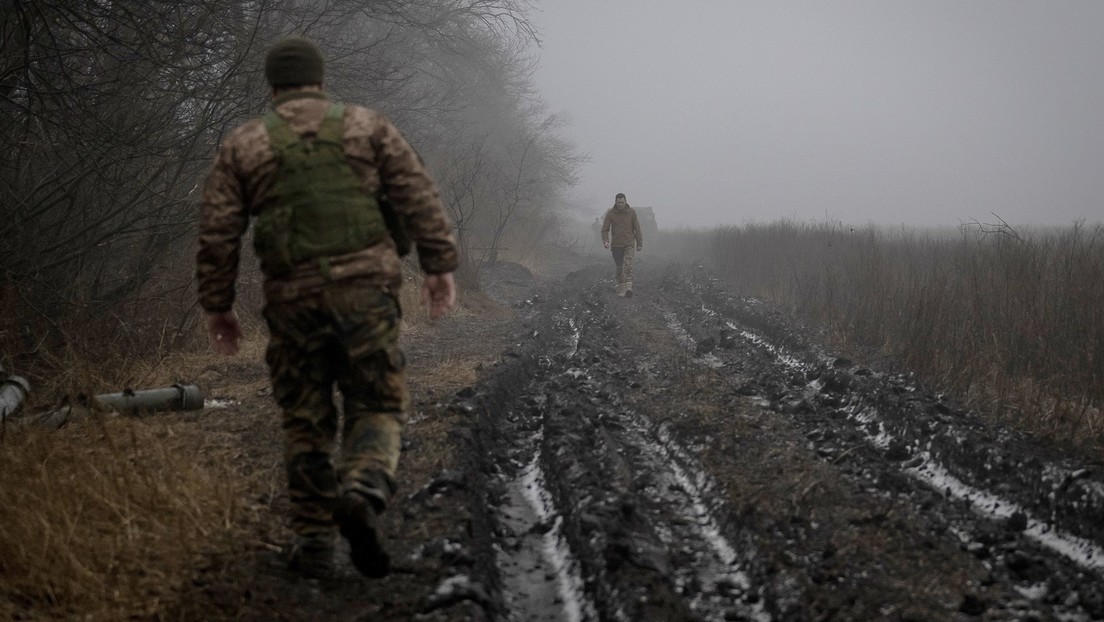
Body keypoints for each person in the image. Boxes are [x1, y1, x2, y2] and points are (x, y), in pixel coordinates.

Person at [196, 36, 458, 580]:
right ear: (320, 78)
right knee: (377, 404)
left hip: (292, 305)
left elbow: (219, 232)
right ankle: (362, 487)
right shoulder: (367, 126)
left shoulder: (244, 144)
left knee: (306, 420)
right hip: (367, 297)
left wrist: (218, 305)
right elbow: (418, 195)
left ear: (272, 86)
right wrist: (438, 267)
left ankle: (314, 544)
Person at [600, 192, 643, 297]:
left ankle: (629, 287)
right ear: (615, 202)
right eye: (618, 202)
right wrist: (605, 241)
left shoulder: (631, 212)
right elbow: (604, 229)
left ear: (625, 201)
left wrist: (639, 243)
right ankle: (621, 288)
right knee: (619, 267)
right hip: (616, 245)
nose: (620, 204)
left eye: (622, 202)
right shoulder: (610, 213)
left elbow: (637, 228)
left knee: (628, 264)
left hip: (629, 244)